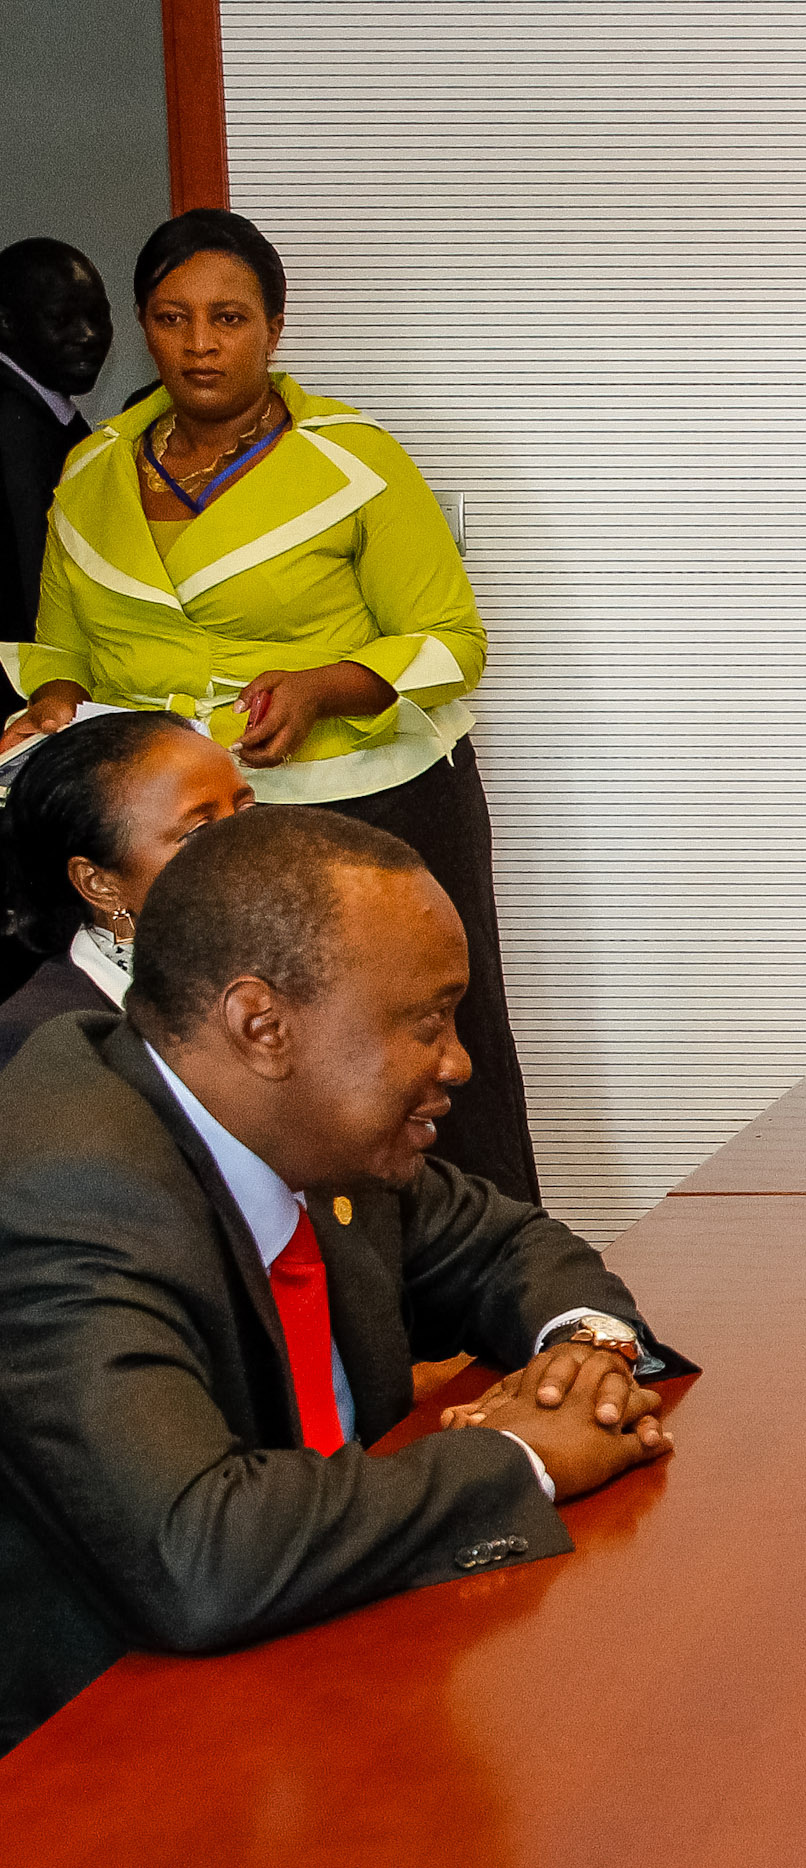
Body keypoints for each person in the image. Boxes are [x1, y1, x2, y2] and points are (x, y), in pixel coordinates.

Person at [0, 806, 681, 1753]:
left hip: (329, 1671)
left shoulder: (305, 1129)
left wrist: (585, 1350)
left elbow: (505, 1245)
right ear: (262, 1026)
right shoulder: (65, 1192)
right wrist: (522, 1458)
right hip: (108, 1759)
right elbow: (199, 1552)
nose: (460, 1061)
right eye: (426, 1022)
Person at [0, 209, 545, 1206]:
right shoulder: (90, 476)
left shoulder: (353, 458)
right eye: (172, 317)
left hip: (367, 811)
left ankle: (468, 1321)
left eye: (228, 318)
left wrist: (324, 685)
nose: (199, 344)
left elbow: (451, 639)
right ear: (144, 324)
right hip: (185, 830)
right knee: (244, 1068)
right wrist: (54, 706)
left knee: (398, 1057)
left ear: (274, 327)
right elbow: (64, 648)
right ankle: (271, 1310)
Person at [0, 712, 251, 1061]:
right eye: (199, 832)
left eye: (247, 810)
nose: (252, 842)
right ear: (99, 884)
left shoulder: (305, 958)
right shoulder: (38, 1049)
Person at [0, 238, 109, 675]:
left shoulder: (46, 411)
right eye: (61, 320)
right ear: (6, 322)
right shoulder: (13, 421)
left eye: (98, 316)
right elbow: (34, 574)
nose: (87, 335)